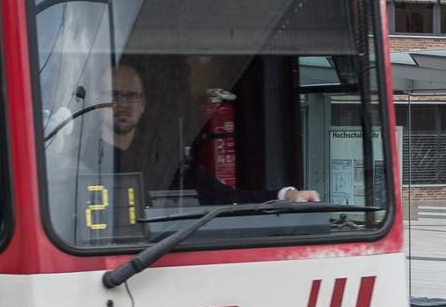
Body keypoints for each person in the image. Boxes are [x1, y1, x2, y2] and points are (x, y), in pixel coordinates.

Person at [96, 61, 320, 208]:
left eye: (131, 96)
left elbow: (228, 200)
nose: (122, 103)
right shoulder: (84, 160)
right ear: (96, 101)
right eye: (113, 95)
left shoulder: (168, 163)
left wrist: (286, 196)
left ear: (143, 104)